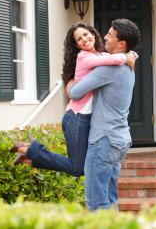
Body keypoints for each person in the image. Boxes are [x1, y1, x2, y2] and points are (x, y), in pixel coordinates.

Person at [10, 22, 137, 177]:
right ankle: (32, 150)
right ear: (77, 46)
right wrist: (127, 56)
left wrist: (131, 55)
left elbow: (113, 58)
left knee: (81, 167)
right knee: (79, 168)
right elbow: (116, 60)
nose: (84, 39)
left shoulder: (101, 55)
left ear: (92, 33)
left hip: (86, 119)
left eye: (85, 34)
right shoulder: (85, 57)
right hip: (77, 118)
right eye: (79, 39)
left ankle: (30, 157)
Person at [67, 18, 140, 211]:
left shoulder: (110, 68)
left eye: (110, 34)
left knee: (96, 203)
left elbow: (74, 92)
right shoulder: (126, 65)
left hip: (103, 140)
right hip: (119, 139)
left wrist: (70, 81)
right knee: (109, 199)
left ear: (121, 43)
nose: (105, 37)